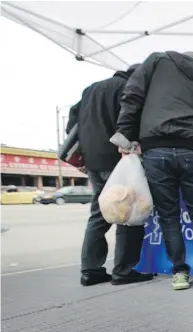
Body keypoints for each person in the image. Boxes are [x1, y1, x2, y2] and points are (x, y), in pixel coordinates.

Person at [115, 50, 193, 292]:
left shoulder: (159, 60)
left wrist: (125, 137)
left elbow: (133, 95)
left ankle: (179, 273)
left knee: (169, 216)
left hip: (156, 148)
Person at [67, 64, 153, 287]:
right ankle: (124, 270)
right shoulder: (128, 88)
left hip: (92, 159)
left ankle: (90, 270)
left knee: (98, 212)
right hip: (118, 157)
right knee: (129, 211)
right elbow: (131, 120)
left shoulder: (90, 89)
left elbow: (72, 121)